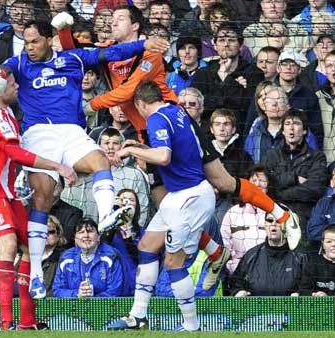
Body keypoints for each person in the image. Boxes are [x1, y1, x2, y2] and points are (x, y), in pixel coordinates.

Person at [53, 10, 301, 252]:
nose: (112, 22)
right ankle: (215, 252)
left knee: (223, 183)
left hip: (176, 126)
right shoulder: (109, 51)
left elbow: (130, 91)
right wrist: (63, 29)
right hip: (148, 137)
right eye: (111, 18)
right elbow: (73, 52)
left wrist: (91, 105)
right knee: (164, 204)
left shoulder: (151, 53)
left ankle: (281, 214)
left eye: (120, 19)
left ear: (136, 26)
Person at [0, 19, 168, 299]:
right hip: (38, 133)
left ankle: (107, 216)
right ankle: (35, 273)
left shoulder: (74, 58)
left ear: (50, 39)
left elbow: (112, 54)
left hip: (72, 132)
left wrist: (144, 44)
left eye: (35, 41)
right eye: (26, 42)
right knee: (42, 199)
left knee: (101, 162)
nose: (29, 47)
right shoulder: (19, 63)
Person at [0, 65, 77, 330]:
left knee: (32, 249)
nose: (17, 86)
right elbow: (14, 153)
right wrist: (57, 166)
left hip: (8, 193)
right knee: (7, 246)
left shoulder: (6, 113)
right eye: (12, 82)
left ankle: (27, 320)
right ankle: (6, 322)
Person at [108, 80, 219, 331]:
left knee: (173, 262)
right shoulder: (176, 111)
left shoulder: (156, 119)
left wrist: (130, 153)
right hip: (179, 197)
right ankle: (138, 316)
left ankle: (191, 326)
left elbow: (163, 156)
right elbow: (169, 150)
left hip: (190, 197)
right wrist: (140, 147)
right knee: (147, 246)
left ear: (140, 104)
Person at [264, 110, 327, 238]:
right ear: (282, 130)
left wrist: (280, 193)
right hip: (274, 213)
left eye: (296, 123)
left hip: (303, 214)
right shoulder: (271, 155)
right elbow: (267, 185)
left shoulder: (317, 157)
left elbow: (315, 189)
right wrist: (294, 178)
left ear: (304, 130)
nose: (291, 127)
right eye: (287, 124)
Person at [229, 213, 304, 297]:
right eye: (270, 220)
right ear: (265, 225)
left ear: (287, 226)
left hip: (289, 309)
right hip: (256, 309)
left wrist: (301, 295)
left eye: (278, 221)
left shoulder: (300, 257)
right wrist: (238, 292)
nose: (273, 224)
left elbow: (308, 287)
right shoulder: (251, 255)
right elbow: (235, 283)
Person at [53, 218, 124, 298]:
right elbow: (57, 290)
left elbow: (115, 291)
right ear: (75, 239)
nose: (86, 235)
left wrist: (91, 299)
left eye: (90, 231)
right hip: (74, 307)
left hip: (105, 308)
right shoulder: (66, 257)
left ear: (98, 237)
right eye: (81, 232)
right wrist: (77, 294)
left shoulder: (111, 256)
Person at [221, 164, 268, 275]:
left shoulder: (279, 211)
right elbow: (224, 244)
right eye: (254, 180)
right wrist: (232, 266)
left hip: (270, 271)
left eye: (262, 180)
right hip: (239, 271)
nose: (257, 184)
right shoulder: (233, 212)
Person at [101, 188, 144, 296]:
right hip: (114, 282)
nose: (127, 202)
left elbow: (144, 258)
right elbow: (102, 248)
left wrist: (129, 241)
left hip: (137, 283)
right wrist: (114, 211)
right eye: (123, 199)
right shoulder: (109, 229)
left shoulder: (143, 231)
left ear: (137, 206)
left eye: (131, 200)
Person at [298, 224, 335, 296]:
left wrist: (328, 297)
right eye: (329, 242)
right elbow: (303, 289)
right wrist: (313, 295)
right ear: (323, 244)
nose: (333, 244)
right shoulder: (313, 263)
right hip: (315, 305)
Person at [42, 215, 68, 296]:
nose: (46, 235)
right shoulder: (29, 256)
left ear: (58, 233)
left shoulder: (66, 257)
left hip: (54, 303)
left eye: (50, 232)